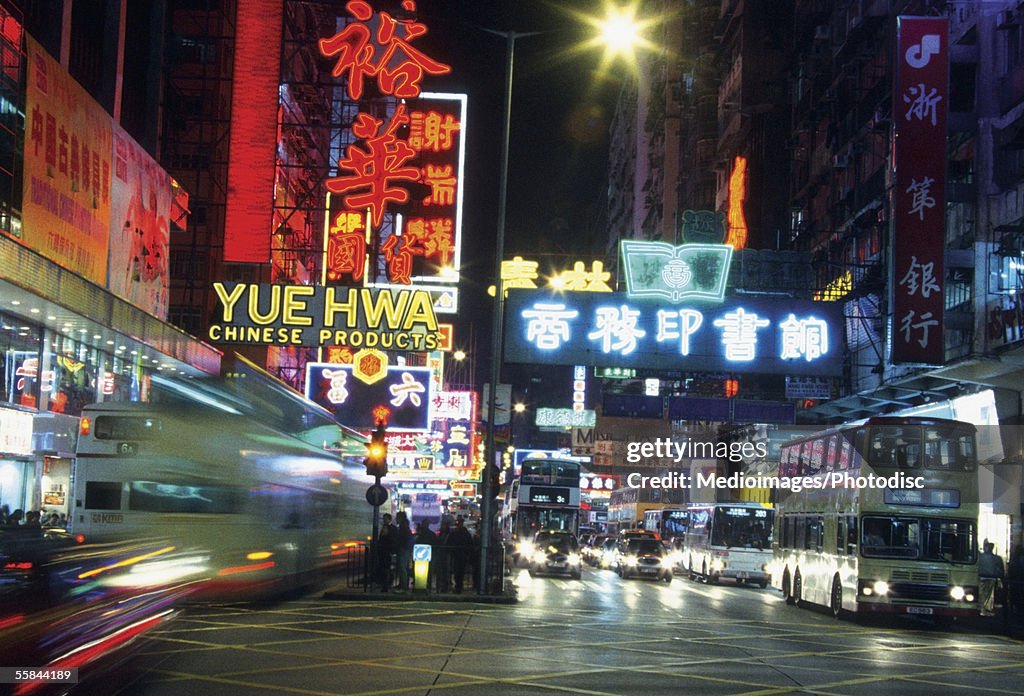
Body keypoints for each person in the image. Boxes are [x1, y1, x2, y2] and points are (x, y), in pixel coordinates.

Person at [979, 539, 1005, 617]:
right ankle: (986, 609)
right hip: (992, 578)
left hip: (981, 578)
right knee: (989, 595)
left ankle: (982, 608)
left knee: (982, 594)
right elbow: (1001, 570)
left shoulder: (980, 557)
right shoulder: (997, 558)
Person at [448, 515, 473, 593]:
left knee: (458, 571)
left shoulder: (458, 533)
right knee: (459, 571)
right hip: (460, 555)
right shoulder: (464, 533)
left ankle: (458, 586)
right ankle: (458, 586)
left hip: (459, 555)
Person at [393, 511, 413, 593]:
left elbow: (401, 539)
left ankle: (404, 586)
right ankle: (402, 584)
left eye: (397, 518)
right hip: (404, 549)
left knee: (403, 568)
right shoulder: (404, 527)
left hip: (403, 549)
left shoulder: (403, 528)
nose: (396, 519)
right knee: (403, 568)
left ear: (400, 518)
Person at [414, 520, 436, 590]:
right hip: (427, 554)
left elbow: (417, 541)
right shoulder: (431, 534)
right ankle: (427, 586)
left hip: (422, 555)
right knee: (428, 571)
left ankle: (420, 585)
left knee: (424, 571)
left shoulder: (421, 534)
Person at [376, 513, 395, 592]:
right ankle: (385, 584)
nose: (384, 520)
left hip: (386, 551)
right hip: (384, 551)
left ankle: (385, 585)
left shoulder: (389, 528)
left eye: (385, 519)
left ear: (389, 520)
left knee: (386, 568)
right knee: (385, 568)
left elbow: (387, 539)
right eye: (383, 519)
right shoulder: (387, 527)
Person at [435, 516, 453, 593]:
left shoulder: (449, 534)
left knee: (446, 571)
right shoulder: (441, 533)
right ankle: (440, 586)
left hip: (446, 554)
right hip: (441, 554)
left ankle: (445, 586)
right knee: (440, 571)